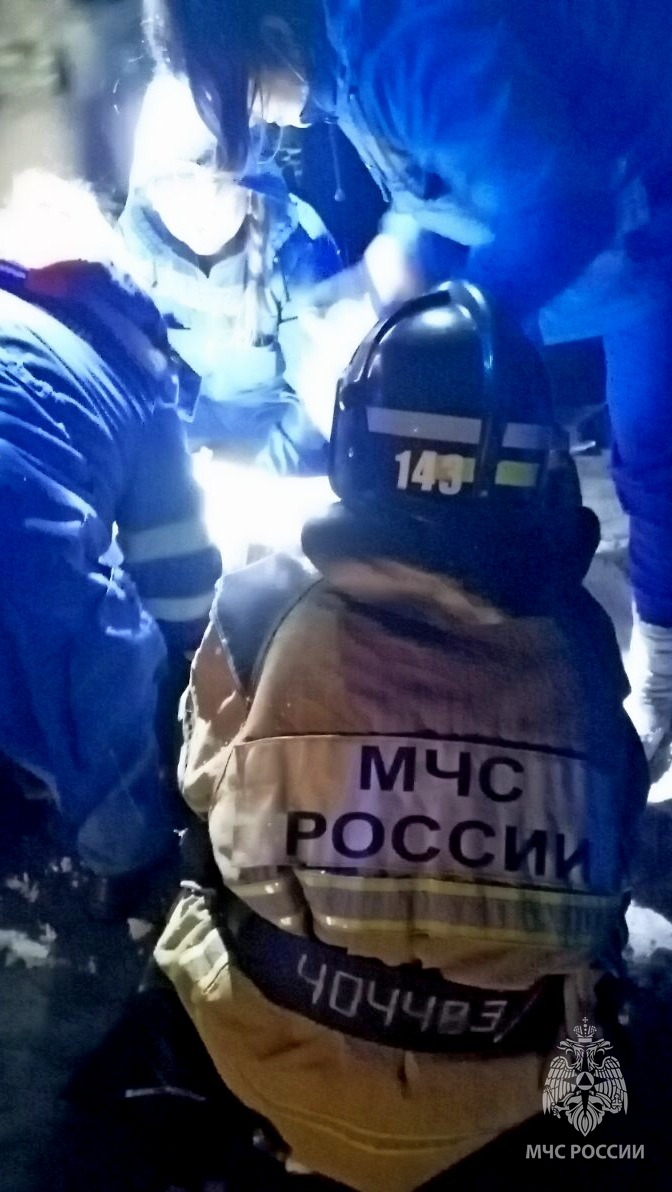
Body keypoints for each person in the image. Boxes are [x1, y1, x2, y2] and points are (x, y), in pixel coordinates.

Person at [153, 284, 648, 1191]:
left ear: (357, 444)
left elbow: (198, 781)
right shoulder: (581, 645)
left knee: (198, 831)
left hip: (268, 1061)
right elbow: (616, 829)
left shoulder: (263, 607)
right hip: (502, 1096)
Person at [146, 0, 672, 762]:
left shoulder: (405, 39)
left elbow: (563, 207)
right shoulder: (345, 60)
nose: (262, 116)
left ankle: (661, 672)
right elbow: (452, 173)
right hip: (620, 204)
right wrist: (395, 263)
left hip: (650, 195)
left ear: (272, 34)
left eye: (245, 88)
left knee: (654, 452)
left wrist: (433, 330)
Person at [0, 171, 221, 919]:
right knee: (104, 661)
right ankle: (135, 875)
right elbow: (179, 579)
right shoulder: (128, 356)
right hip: (20, 532)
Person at [118, 70, 342, 473]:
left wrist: (264, 475)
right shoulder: (132, 257)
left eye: (219, 183)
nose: (199, 211)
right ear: (149, 193)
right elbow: (131, 384)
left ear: (250, 181)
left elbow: (320, 395)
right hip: (183, 465)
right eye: (174, 186)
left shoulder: (298, 249)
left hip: (284, 471)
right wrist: (172, 472)